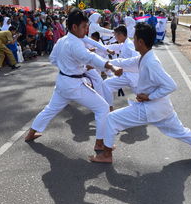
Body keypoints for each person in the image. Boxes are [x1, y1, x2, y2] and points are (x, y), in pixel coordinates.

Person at [89, 23, 191, 164]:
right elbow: (123, 62)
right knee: (182, 131)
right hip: (163, 108)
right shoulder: (144, 57)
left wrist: (149, 97)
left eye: (135, 39)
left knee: (111, 119)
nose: (133, 41)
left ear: (140, 42)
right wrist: (100, 63)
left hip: (150, 108)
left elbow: (171, 85)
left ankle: (106, 155)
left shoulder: (151, 62)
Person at [25, 8, 123, 152]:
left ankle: (30, 134)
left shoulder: (62, 40)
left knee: (50, 109)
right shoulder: (75, 43)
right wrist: (111, 66)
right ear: (74, 27)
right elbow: (91, 58)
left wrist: (69, 66)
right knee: (102, 108)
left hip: (63, 82)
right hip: (73, 85)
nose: (86, 29)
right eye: (84, 27)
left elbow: (53, 59)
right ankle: (100, 143)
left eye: (87, 26)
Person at [102, 25, 139, 111]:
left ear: (121, 35)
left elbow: (136, 58)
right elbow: (112, 47)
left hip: (130, 75)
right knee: (141, 96)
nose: (115, 37)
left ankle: (109, 108)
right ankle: (109, 107)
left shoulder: (129, 45)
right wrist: (98, 48)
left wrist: (123, 65)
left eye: (115, 35)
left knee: (106, 84)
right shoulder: (124, 44)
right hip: (128, 74)